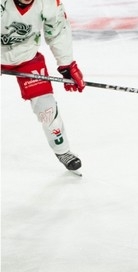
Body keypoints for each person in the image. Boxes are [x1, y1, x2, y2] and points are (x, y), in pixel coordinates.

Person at [1, 0, 85, 174]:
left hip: (27, 56)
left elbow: (57, 31)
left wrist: (66, 64)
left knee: (46, 107)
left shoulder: (48, 2)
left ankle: (63, 151)